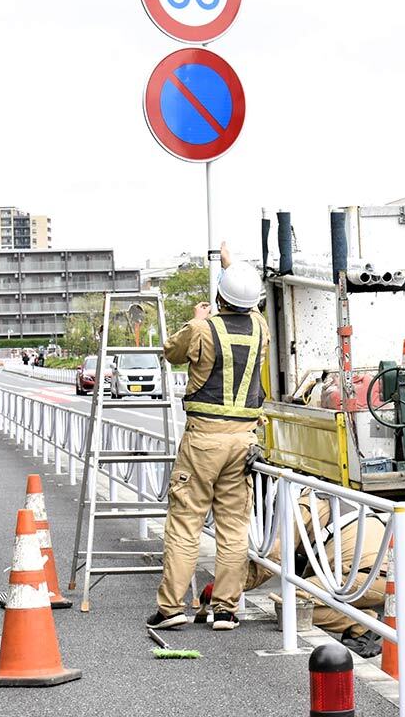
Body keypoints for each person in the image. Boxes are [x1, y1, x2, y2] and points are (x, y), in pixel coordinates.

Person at [147, 244, 269, 632]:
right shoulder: (261, 328)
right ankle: (226, 609)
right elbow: (246, 299)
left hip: (204, 440)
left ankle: (171, 608)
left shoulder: (203, 329)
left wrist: (197, 318)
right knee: (234, 528)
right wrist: (232, 268)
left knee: (186, 522)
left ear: (219, 296)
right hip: (244, 441)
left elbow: (171, 352)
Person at [218, 494, 388, 656]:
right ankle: (365, 620)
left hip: (358, 578)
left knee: (291, 606)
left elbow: (275, 557)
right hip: (383, 579)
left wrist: (229, 587)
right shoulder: (329, 499)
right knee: (305, 596)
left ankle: (364, 623)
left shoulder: (301, 506)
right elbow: (311, 572)